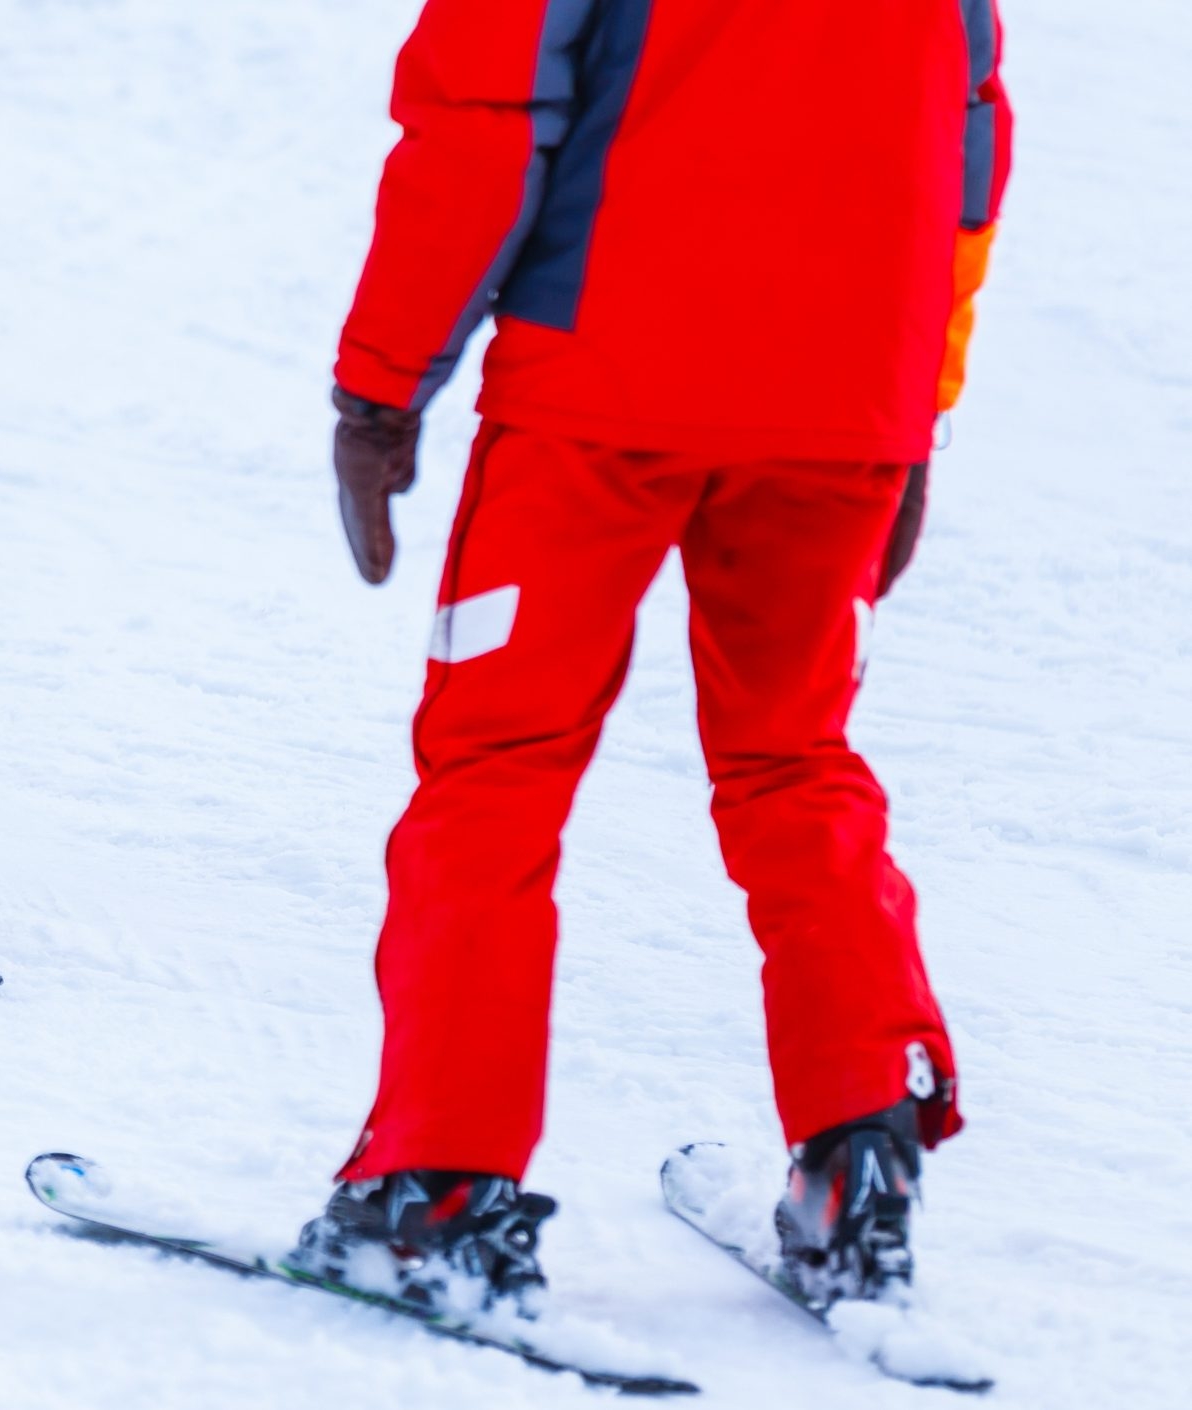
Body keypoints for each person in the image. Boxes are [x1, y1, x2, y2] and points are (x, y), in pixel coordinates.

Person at [292, 0, 1011, 1317]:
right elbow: (965, 150)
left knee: (496, 764)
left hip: (595, 399)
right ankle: (859, 1176)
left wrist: (381, 388)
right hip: (841, 403)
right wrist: (914, 407)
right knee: (795, 755)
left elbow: (486, 117)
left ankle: (438, 1191)